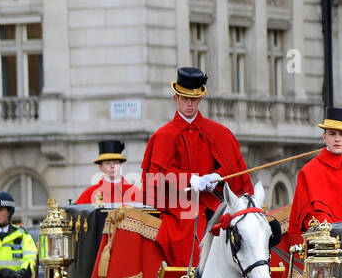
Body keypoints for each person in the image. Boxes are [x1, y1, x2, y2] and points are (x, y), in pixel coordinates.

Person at [140, 66, 253, 265]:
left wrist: (217, 177)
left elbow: (234, 171)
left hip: (215, 204)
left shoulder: (220, 132)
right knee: (187, 228)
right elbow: (156, 177)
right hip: (180, 207)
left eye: (193, 99)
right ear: (176, 98)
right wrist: (189, 179)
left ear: (200, 99)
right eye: (185, 99)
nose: (189, 104)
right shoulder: (163, 136)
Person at [288, 106, 342, 248]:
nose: (337, 139)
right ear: (324, 137)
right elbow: (305, 223)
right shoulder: (309, 172)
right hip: (325, 252)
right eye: (332, 134)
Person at [75, 140, 142, 205]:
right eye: (107, 163)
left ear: (120, 165)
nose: (112, 166)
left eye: (116, 163)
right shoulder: (89, 193)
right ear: (100, 167)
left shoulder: (134, 192)